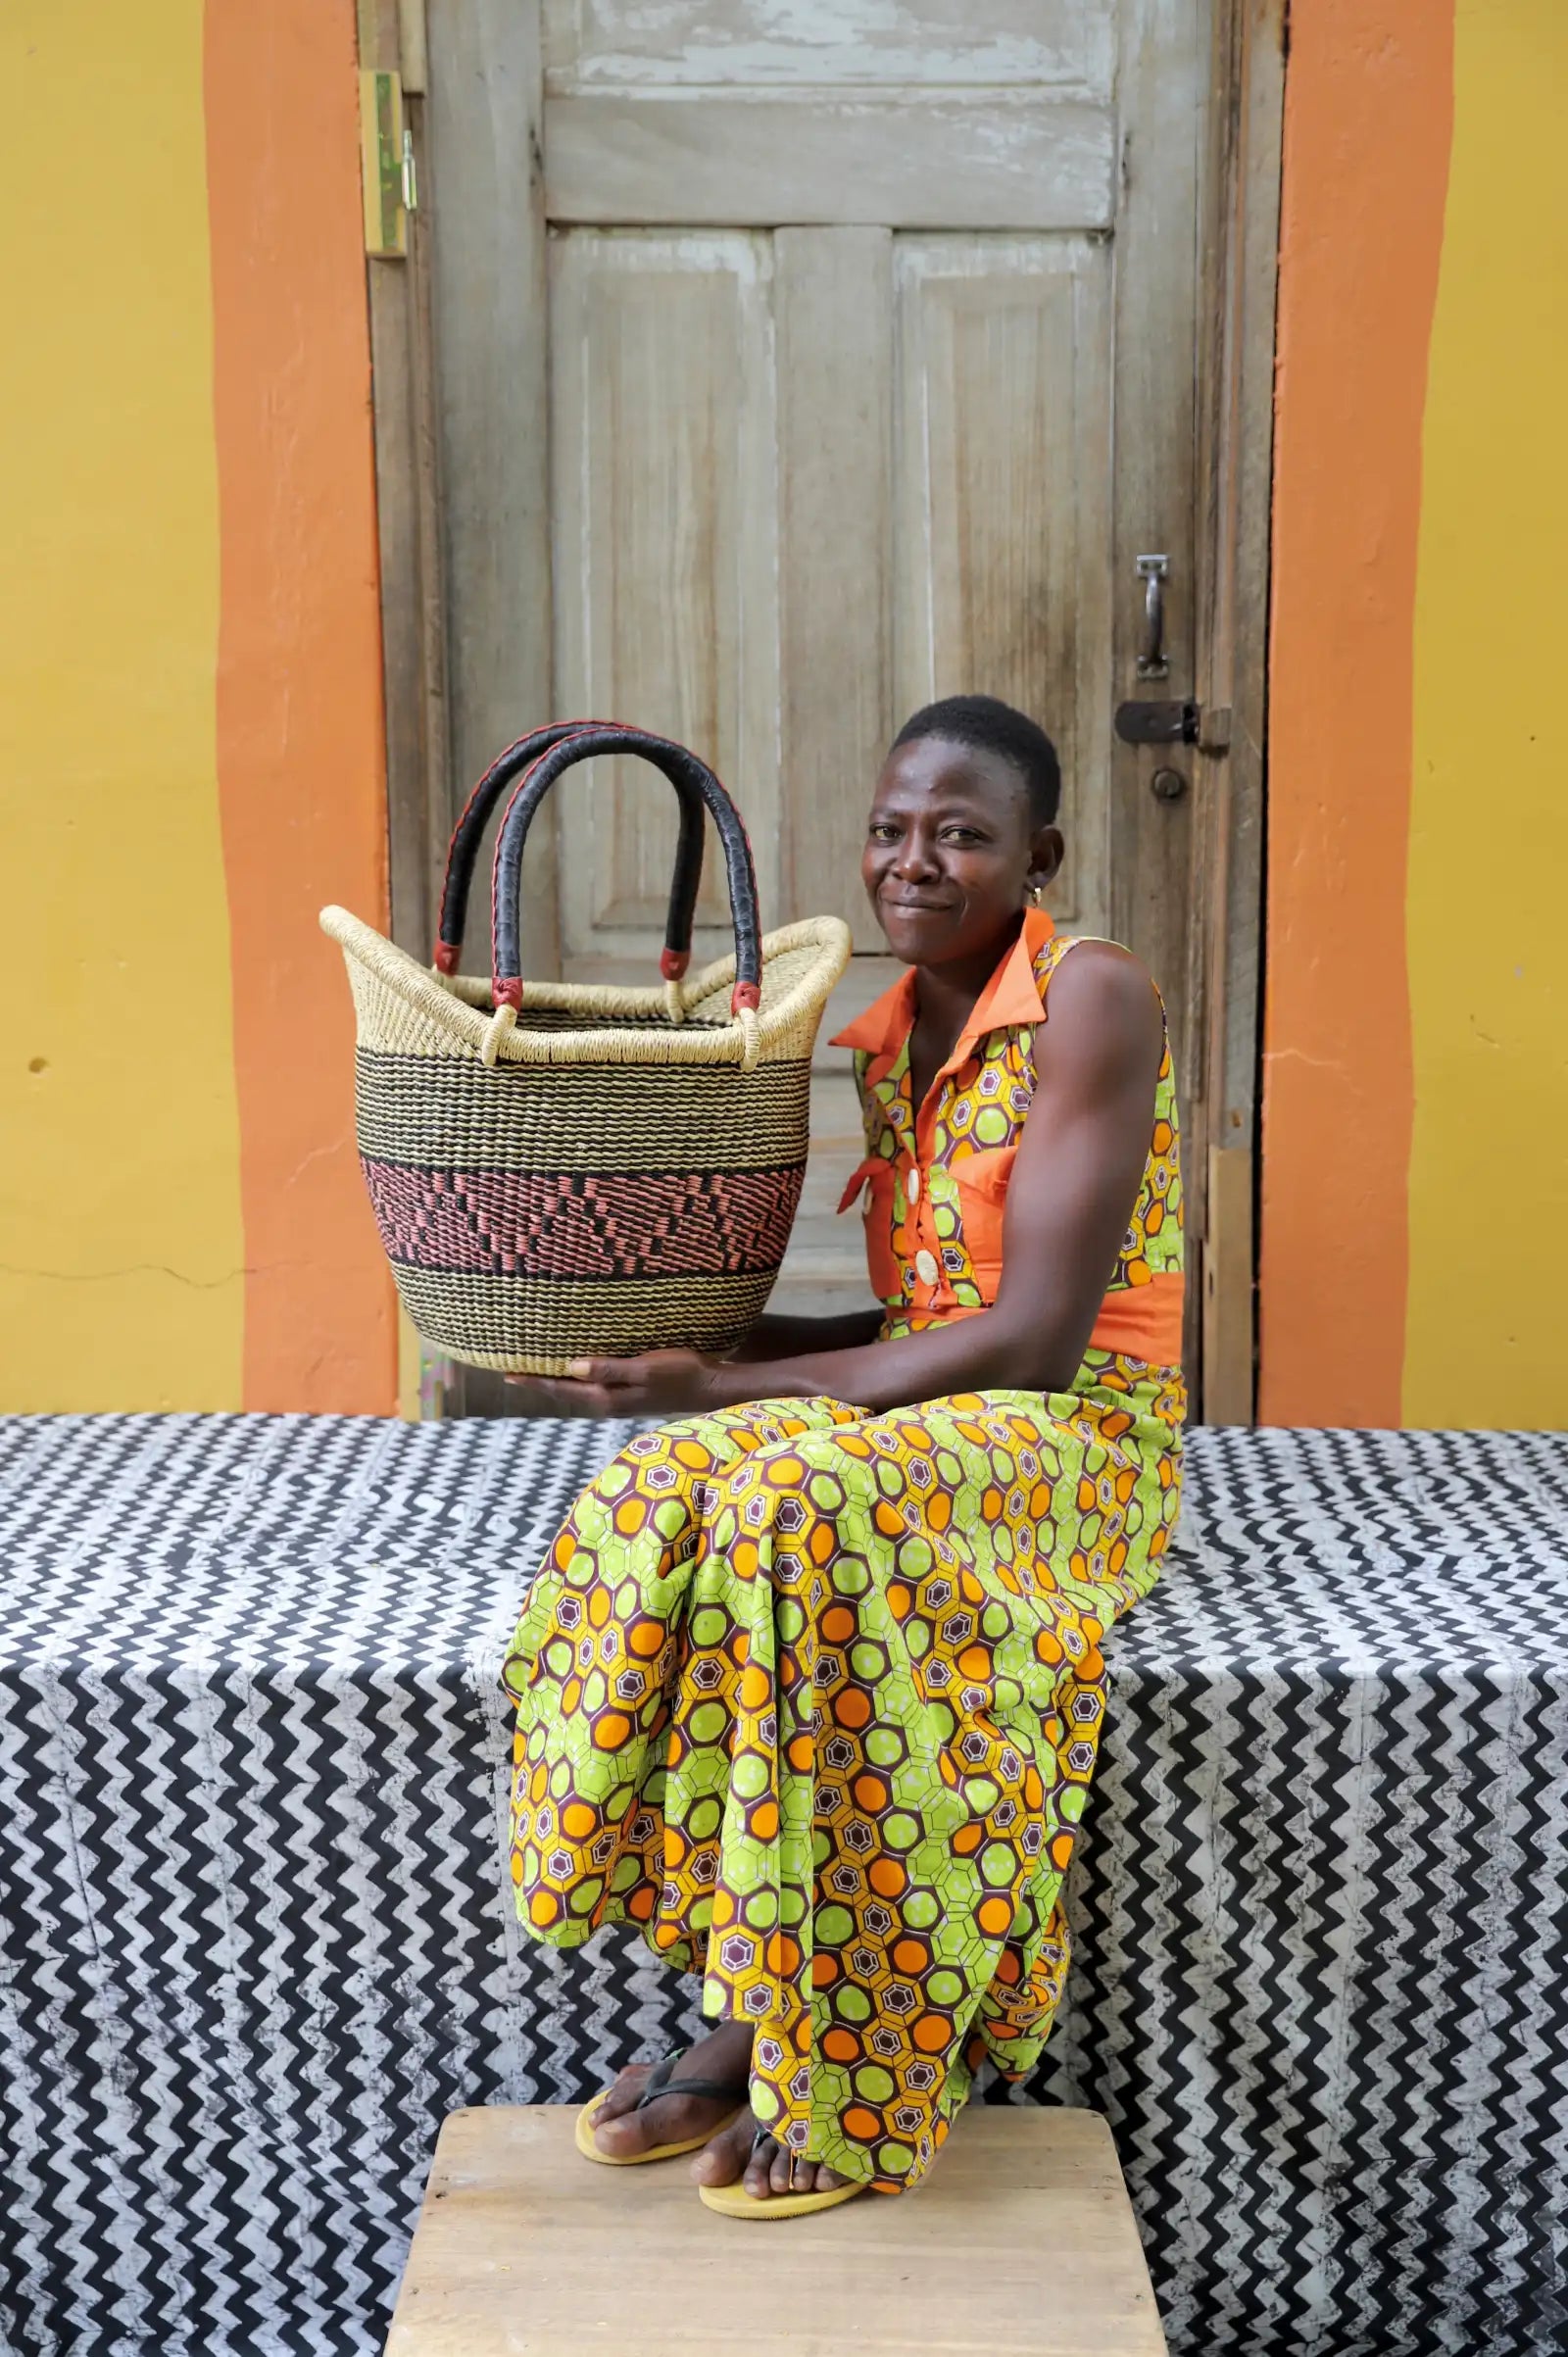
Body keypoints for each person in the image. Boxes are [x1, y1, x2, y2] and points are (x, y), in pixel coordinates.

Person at [499, 694, 1185, 2218]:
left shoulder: (1091, 997)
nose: (914, 862)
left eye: (961, 835)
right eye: (891, 831)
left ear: (1037, 855)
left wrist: (751, 1382)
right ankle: (754, 1999)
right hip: (950, 1411)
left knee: (799, 1496)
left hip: (1078, 1436)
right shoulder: (888, 1036)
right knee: (674, 1482)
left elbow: (1035, 1341)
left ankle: (854, 2061)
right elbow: (916, 1312)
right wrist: (724, 1357)